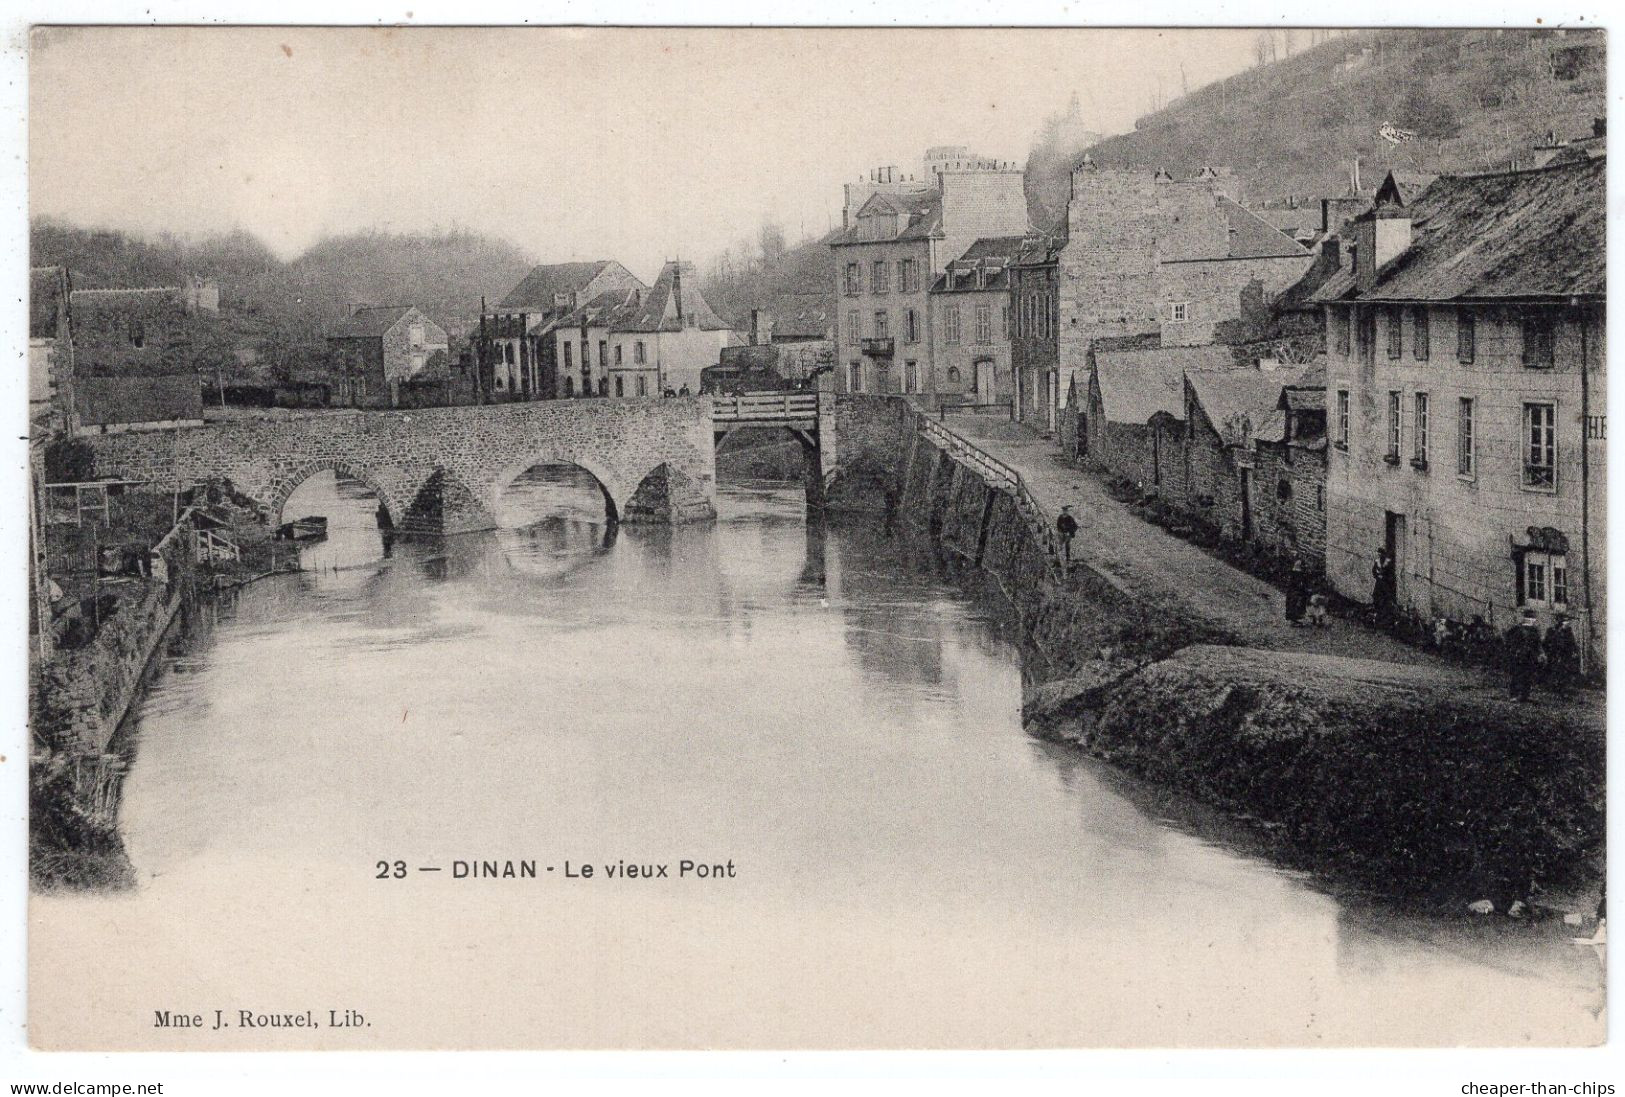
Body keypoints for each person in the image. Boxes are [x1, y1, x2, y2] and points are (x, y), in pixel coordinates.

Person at [1503, 607, 1546, 702]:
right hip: (1519, 656)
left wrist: (1541, 654)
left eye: (1533, 618)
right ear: (1527, 619)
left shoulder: (1534, 631)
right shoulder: (1517, 629)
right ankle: (1514, 695)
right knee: (1517, 675)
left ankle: (1525, 695)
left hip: (1530, 657)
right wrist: (1514, 651)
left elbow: (1538, 644)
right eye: (1531, 618)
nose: (1533, 620)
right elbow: (1509, 641)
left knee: (1528, 676)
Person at [1544, 612, 1581, 691]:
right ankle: (1552, 685)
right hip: (1555, 653)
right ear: (1559, 621)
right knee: (1554, 669)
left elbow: (1572, 642)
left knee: (1565, 669)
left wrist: (1575, 651)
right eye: (1564, 621)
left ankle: (1563, 686)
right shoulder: (1552, 630)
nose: (1566, 623)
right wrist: (1549, 652)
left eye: (1567, 621)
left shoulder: (1568, 632)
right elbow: (1546, 642)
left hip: (1565, 653)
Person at [1371, 548, 1396, 626]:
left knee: (1386, 597)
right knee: (1376, 595)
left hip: (1385, 583)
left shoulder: (1388, 562)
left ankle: (1385, 614)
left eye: (1381, 554)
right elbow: (1373, 570)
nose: (1380, 555)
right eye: (1379, 554)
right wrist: (1377, 576)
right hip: (1379, 582)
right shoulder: (1377, 561)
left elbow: (1391, 573)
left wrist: (1385, 578)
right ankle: (1377, 611)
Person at [1285, 558, 1311, 625]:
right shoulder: (1295, 577)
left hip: (1296, 592)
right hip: (1294, 594)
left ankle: (1295, 618)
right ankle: (1293, 619)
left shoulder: (1299, 576)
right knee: (1295, 604)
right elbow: (1296, 586)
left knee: (1299, 603)